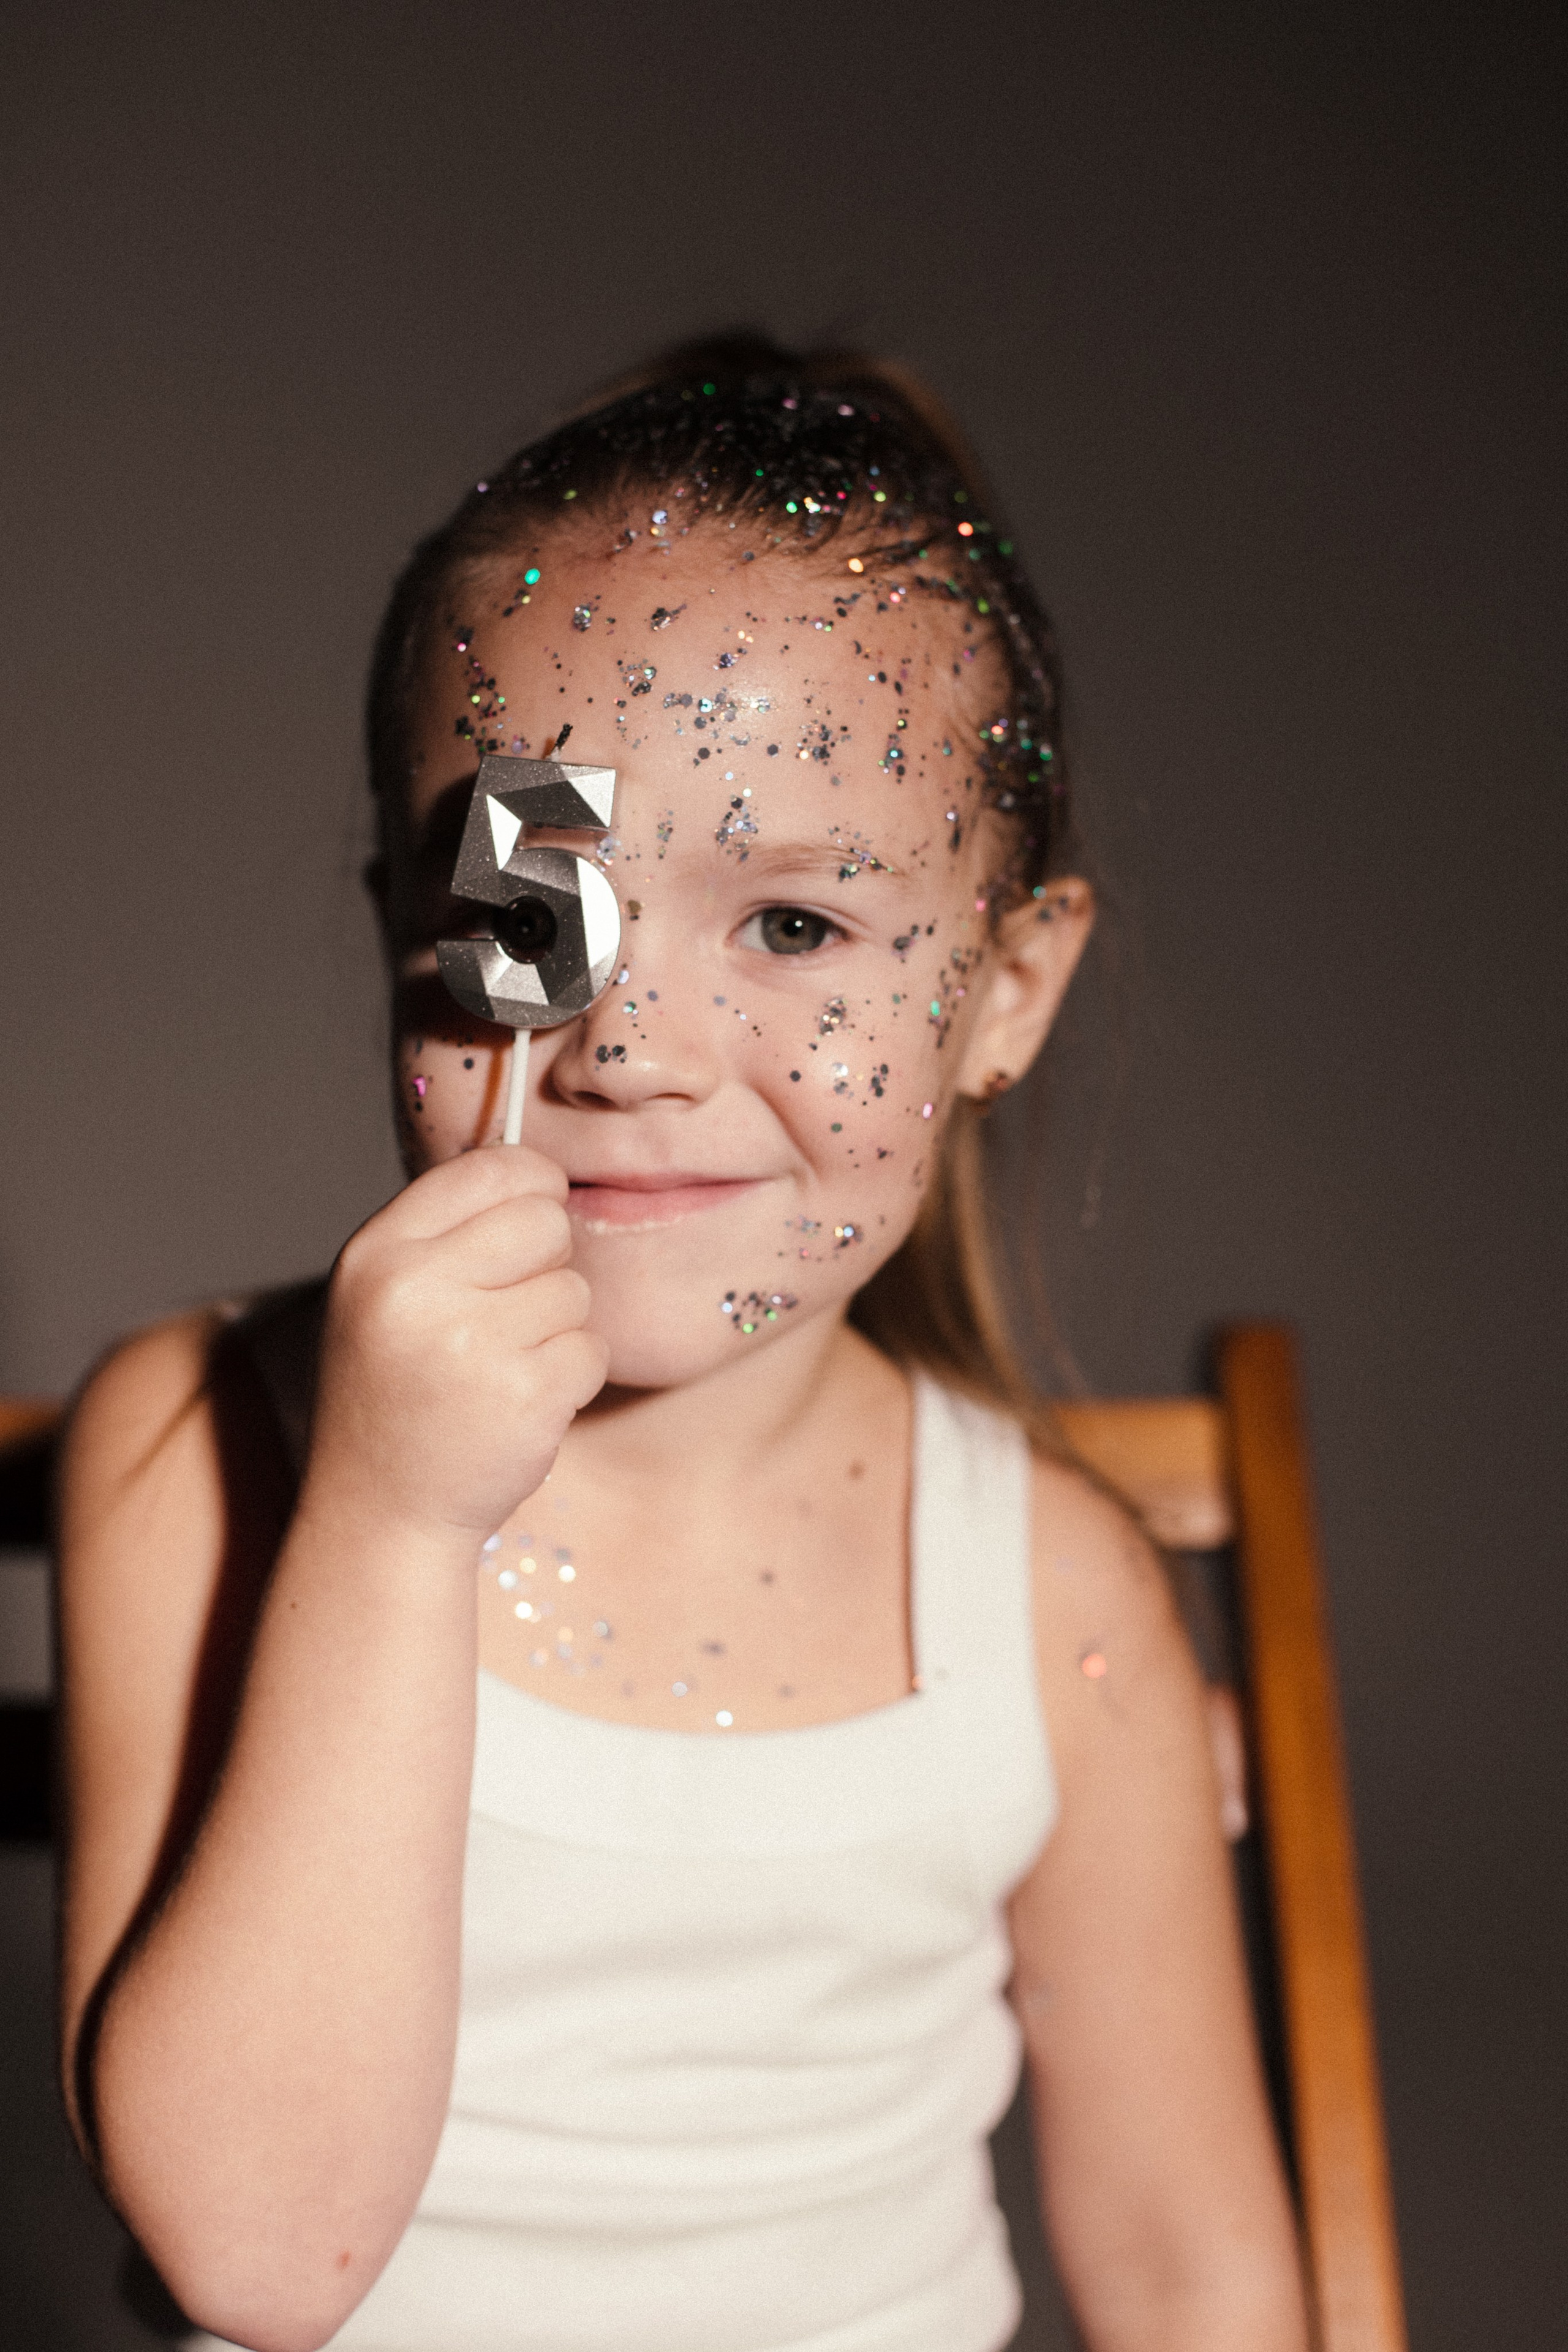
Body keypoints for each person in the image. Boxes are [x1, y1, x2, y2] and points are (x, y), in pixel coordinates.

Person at [55, 337, 1309, 2352]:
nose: (624, 1050)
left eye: (797, 928)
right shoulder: (192, 1457)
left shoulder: (1050, 1591)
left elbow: (1194, 2265)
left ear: (1006, 990)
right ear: (406, 925)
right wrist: (387, 1526)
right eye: (531, 916)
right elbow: (257, 2256)